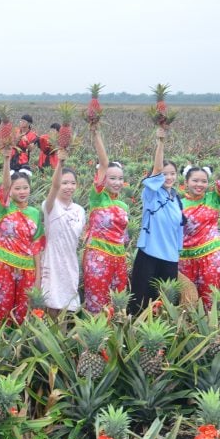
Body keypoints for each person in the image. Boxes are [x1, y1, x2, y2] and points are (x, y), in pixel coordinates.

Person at [128, 127, 185, 315]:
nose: (168, 177)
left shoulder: (177, 199)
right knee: (140, 301)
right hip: (149, 254)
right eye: (165, 174)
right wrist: (161, 142)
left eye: (172, 174)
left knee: (165, 304)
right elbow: (157, 170)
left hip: (170, 258)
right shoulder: (151, 194)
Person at [178, 138, 220, 308]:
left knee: (210, 296)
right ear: (186, 182)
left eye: (203, 181)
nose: (200, 184)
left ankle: (212, 328)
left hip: (210, 254)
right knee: (188, 299)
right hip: (185, 256)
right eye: (195, 180)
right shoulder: (178, 203)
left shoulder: (213, 199)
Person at [0, 156, 44, 324]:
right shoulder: (5, 208)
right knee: (1, 307)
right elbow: (4, 186)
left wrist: (38, 276)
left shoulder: (35, 212)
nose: (22, 192)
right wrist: (6, 160)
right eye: (17, 188)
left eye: (25, 188)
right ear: (10, 191)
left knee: (24, 310)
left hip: (28, 268)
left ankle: (20, 345)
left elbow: (36, 245)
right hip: (4, 266)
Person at [82, 124, 130, 314]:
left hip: (119, 258)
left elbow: (124, 237)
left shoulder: (124, 206)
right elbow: (104, 163)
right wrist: (96, 135)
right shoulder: (98, 198)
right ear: (103, 179)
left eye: (120, 179)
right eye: (112, 178)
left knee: (117, 304)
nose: (117, 183)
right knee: (96, 303)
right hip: (98, 257)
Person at [41, 147, 85, 318]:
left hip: (70, 262)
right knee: (51, 304)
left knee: (67, 307)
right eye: (65, 183)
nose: (69, 187)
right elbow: (54, 185)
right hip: (52, 260)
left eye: (72, 183)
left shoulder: (80, 210)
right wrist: (61, 162)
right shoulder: (50, 206)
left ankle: (61, 341)